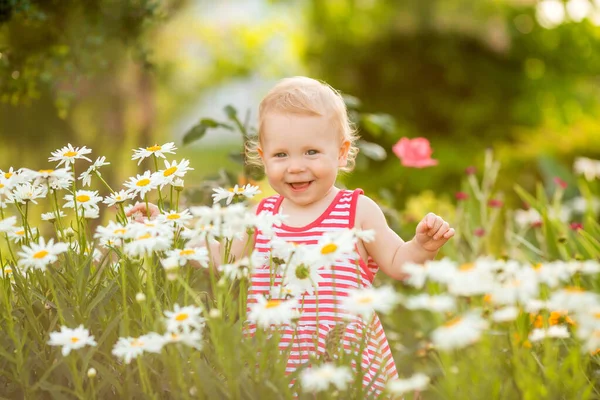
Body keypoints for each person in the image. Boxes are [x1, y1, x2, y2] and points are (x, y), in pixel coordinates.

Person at [127, 76, 454, 396]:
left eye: (311, 152)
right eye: (281, 155)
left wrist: (421, 246)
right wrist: (169, 232)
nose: (295, 166)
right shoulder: (263, 215)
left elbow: (398, 263)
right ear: (263, 155)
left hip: (347, 364)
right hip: (277, 368)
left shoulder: (356, 210)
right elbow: (223, 257)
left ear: (341, 153)